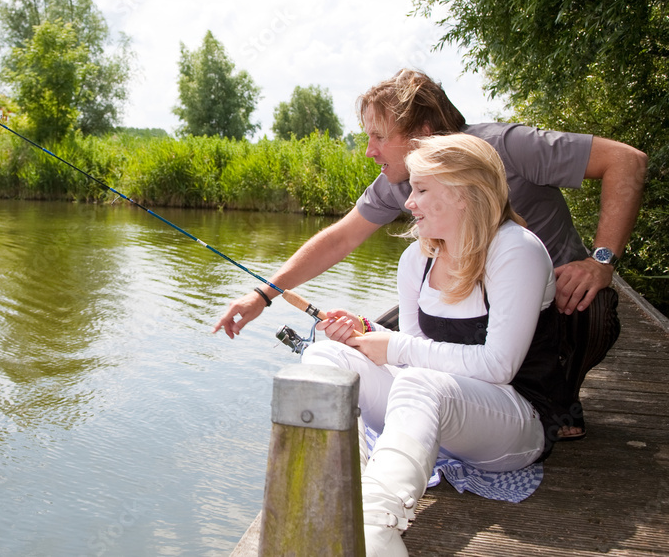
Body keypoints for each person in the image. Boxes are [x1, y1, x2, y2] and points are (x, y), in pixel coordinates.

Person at [213, 69, 647, 439]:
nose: (369, 150)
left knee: (591, 311)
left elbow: (626, 161)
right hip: (463, 314)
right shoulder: (399, 181)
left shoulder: (510, 146)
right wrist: (262, 296)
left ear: (422, 133)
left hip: (557, 310)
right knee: (367, 343)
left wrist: (600, 260)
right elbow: (340, 238)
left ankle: (558, 404)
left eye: (380, 136)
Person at [302, 134, 565, 556]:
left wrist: (395, 347)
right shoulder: (416, 260)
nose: (409, 203)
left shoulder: (516, 249)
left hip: (516, 422)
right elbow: (410, 359)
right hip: (435, 408)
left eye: (422, 189)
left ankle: (375, 528)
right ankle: (343, 487)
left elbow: (499, 367)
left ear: (465, 194)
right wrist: (368, 340)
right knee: (325, 356)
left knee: (423, 381)